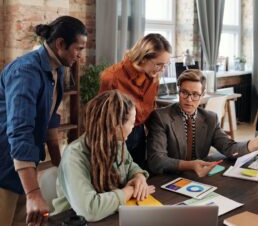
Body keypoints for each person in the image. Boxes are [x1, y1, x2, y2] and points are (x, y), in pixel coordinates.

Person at [0, 16, 87, 226]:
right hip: (4, 166)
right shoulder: (26, 71)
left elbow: (49, 120)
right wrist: (33, 194)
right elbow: (20, 132)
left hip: (24, 168)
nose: (80, 56)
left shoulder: (57, 69)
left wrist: (59, 167)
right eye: (78, 48)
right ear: (60, 44)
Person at [147, 70, 258, 177]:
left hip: (197, 178)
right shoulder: (161, 117)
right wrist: (190, 165)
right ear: (179, 91)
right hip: (166, 178)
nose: (189, 99)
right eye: (184, 93)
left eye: (195, 94)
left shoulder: (210, 118)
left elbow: (229, 148)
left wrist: (255, 143)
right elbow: (156, 160)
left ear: (202, 94)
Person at [52, 90, 155, 222]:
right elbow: (89, 210)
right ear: (116, 126)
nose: (133, 127)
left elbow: (129, 166)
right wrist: (128, 191)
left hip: (110, 217)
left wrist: (139, 176)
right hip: (71, 220)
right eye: (132, 122)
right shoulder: (74, 156)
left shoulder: (117, 142)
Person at [99, 33, 172, 167]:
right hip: (117, 135)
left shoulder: (154, 76)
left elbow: (150, 109)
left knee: (139, 175)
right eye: (158, 65)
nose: (162, 69)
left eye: (165, 65)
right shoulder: (111, 77)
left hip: (139, 133)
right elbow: (103, 119)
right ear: (144, 58)